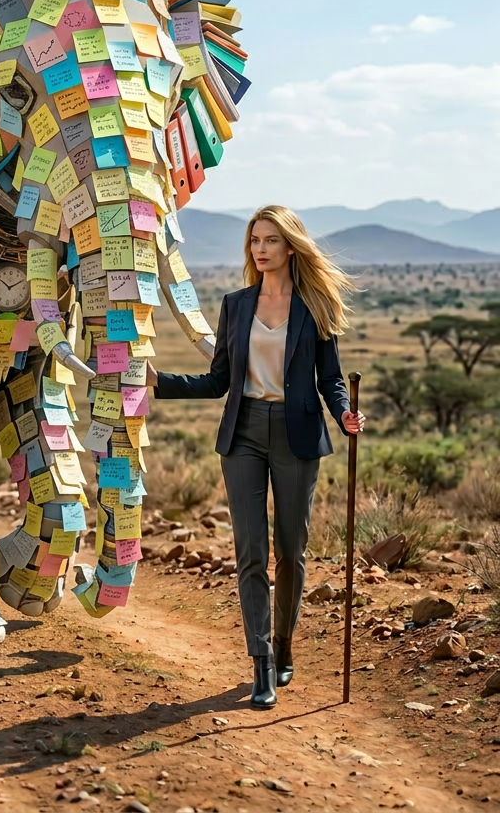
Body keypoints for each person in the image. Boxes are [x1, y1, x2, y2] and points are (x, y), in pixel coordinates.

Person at [155, 206, 365, 709]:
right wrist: (158, 382)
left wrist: (344, 413)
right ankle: (262, 661)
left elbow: (329, 378)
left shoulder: (315, 306)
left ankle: (286, 641)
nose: (261, 249)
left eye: (271, 240)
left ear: (290, 246)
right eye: (255, 240)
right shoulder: (236, 304)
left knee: (291, 551)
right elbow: (218, 381)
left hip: (297, 436)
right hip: (244, 433)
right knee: (251, 551)